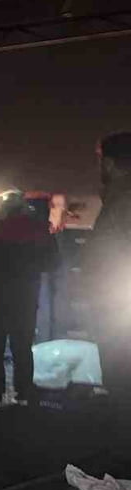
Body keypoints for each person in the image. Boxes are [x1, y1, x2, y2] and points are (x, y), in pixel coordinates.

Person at [0, 191, 59, 406]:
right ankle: (24, 393)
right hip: (25, 297)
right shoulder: (39, 230)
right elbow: (53, 262)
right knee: (22, 347)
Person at [84, 131, 131, 398]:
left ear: (110, 163)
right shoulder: (117, 197)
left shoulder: (123, 199)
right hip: (114, 297)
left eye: (100, 160)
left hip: (118, 301)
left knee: (120, 367)